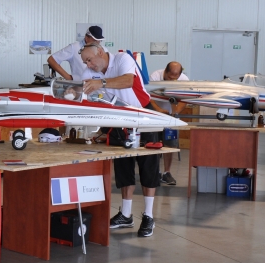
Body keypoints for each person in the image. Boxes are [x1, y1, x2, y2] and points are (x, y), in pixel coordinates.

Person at [80, 44, 159, 238]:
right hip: (119, 118)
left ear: (100, 52)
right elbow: (90, 97)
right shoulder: (89, 72)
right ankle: (126, 214)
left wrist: (101, 83)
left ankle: (148, 215)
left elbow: (128, 81)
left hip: (143, 113)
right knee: (123, 166)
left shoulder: (122, 59)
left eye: (89, 60)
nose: (88, 65)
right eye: (85, 62)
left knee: (148, 166)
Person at [149, 62, 189, 186]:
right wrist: (159, 110)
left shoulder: (184, 80)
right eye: (170, 77)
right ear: (165, 71)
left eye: (175, 78)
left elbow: (185, 100)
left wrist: (175, 112)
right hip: (155, 115)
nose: (172, 80)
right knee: (153, 143)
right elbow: (149, 97)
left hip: (171, 117)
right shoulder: (155, 76)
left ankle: (167, 172)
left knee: (170, 145)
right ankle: (155, 172)